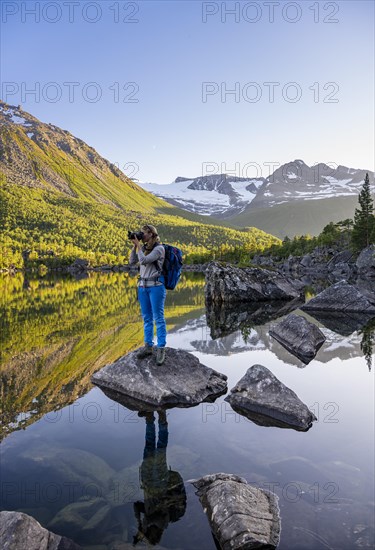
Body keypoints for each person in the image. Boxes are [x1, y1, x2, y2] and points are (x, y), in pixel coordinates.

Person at [129, 224, 167, 366]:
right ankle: (148, 346)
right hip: (143, 287)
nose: (141, 235)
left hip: (156, 287)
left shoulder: (159, 249)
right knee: (147, 318)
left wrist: (138, 245)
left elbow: (144, 260)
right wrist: (135, 246)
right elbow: (132, 261)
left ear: (151, 234)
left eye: (143, 233)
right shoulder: (143, 248)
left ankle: (161, 348)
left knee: (159, 318)